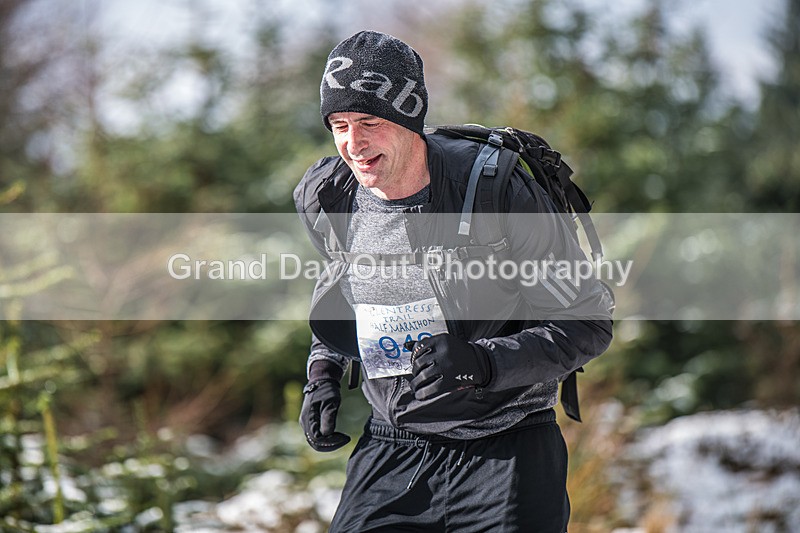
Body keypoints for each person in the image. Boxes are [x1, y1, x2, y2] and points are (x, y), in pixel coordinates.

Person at [293, 30, 614, 532]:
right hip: (393, 447)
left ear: (409, 118)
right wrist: (322, 374)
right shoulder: (329, 197)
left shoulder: (494, 190)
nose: (353, 145)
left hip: (507, 448)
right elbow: (347, 300)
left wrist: (482, 362)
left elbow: (588, 323)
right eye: (339, 124)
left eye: (369, 122)